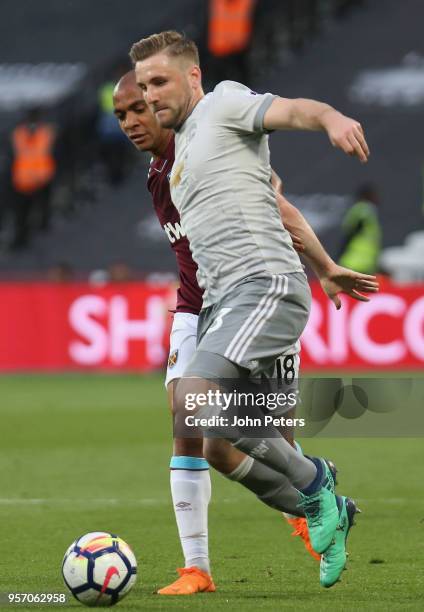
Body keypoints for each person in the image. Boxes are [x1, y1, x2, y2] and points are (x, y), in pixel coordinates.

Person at [114, 68, 377, 592]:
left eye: (139, 107)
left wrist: (324, 267)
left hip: (254, 299)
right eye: (120, 114)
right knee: (194, 421)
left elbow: (282, 211)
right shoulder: (157, 173)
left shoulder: (212, 147)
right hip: (200, 310)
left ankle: (318, 505)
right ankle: (198, 567)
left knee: (269, 436)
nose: (130, 121)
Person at [9, 107, 57, 249]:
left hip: (37, 179)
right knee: (23, 214)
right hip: (26, 180)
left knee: (34, 213)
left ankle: (34, 234)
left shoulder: (40, 133)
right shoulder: (29, 133)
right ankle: (23, 238)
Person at [338, 183, 382, 274]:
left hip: (360, 263)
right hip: (355, 262)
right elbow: (350, 234)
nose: (377, 198)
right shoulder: (363, 210)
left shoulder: (366, 211)